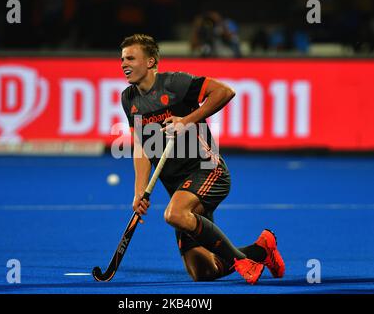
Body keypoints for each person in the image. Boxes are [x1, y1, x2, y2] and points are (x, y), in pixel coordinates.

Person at [120, 34, 285, 284]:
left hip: (208, 170)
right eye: (122, 59)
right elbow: (141, 146)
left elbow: (225, 92)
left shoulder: (175, 83)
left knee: (173, 214)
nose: (124, 64)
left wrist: (186, 121)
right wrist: (139, 192)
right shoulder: (129, 98)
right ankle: (262, 249)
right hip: (179, 186)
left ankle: (243, 263)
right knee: (203, 272)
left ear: (151, 62)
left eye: (131, 58)